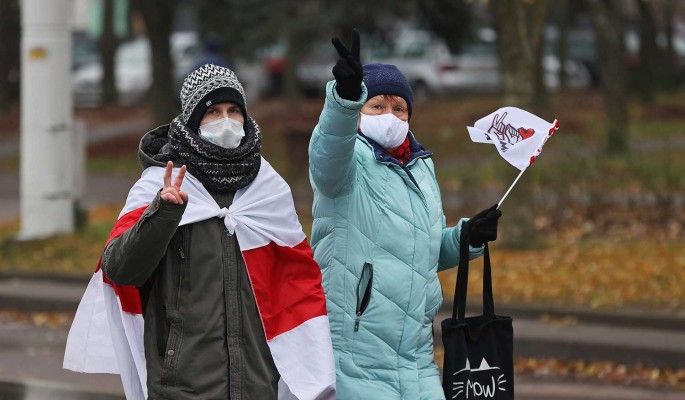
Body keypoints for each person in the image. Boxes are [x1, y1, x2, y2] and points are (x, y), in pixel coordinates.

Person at [64, 64, 336, 400]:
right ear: (193, 120)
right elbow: (121, 269)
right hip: (183, 388)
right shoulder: (159, 183)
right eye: (213, 112)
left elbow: (296, 281)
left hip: (256, 384)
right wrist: (164, 213)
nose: (226, 120)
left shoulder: (268, 189)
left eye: (234, 110)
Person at [308, 29, 502, 399]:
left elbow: (418, 252)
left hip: (417, 360)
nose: (391, 115)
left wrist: (465, 238)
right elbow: (327, 154)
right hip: (356, 360)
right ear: (360, 111)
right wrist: (343, 103)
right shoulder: (348, 165)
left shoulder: (421, 167)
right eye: (377, 106)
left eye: (400, 108)